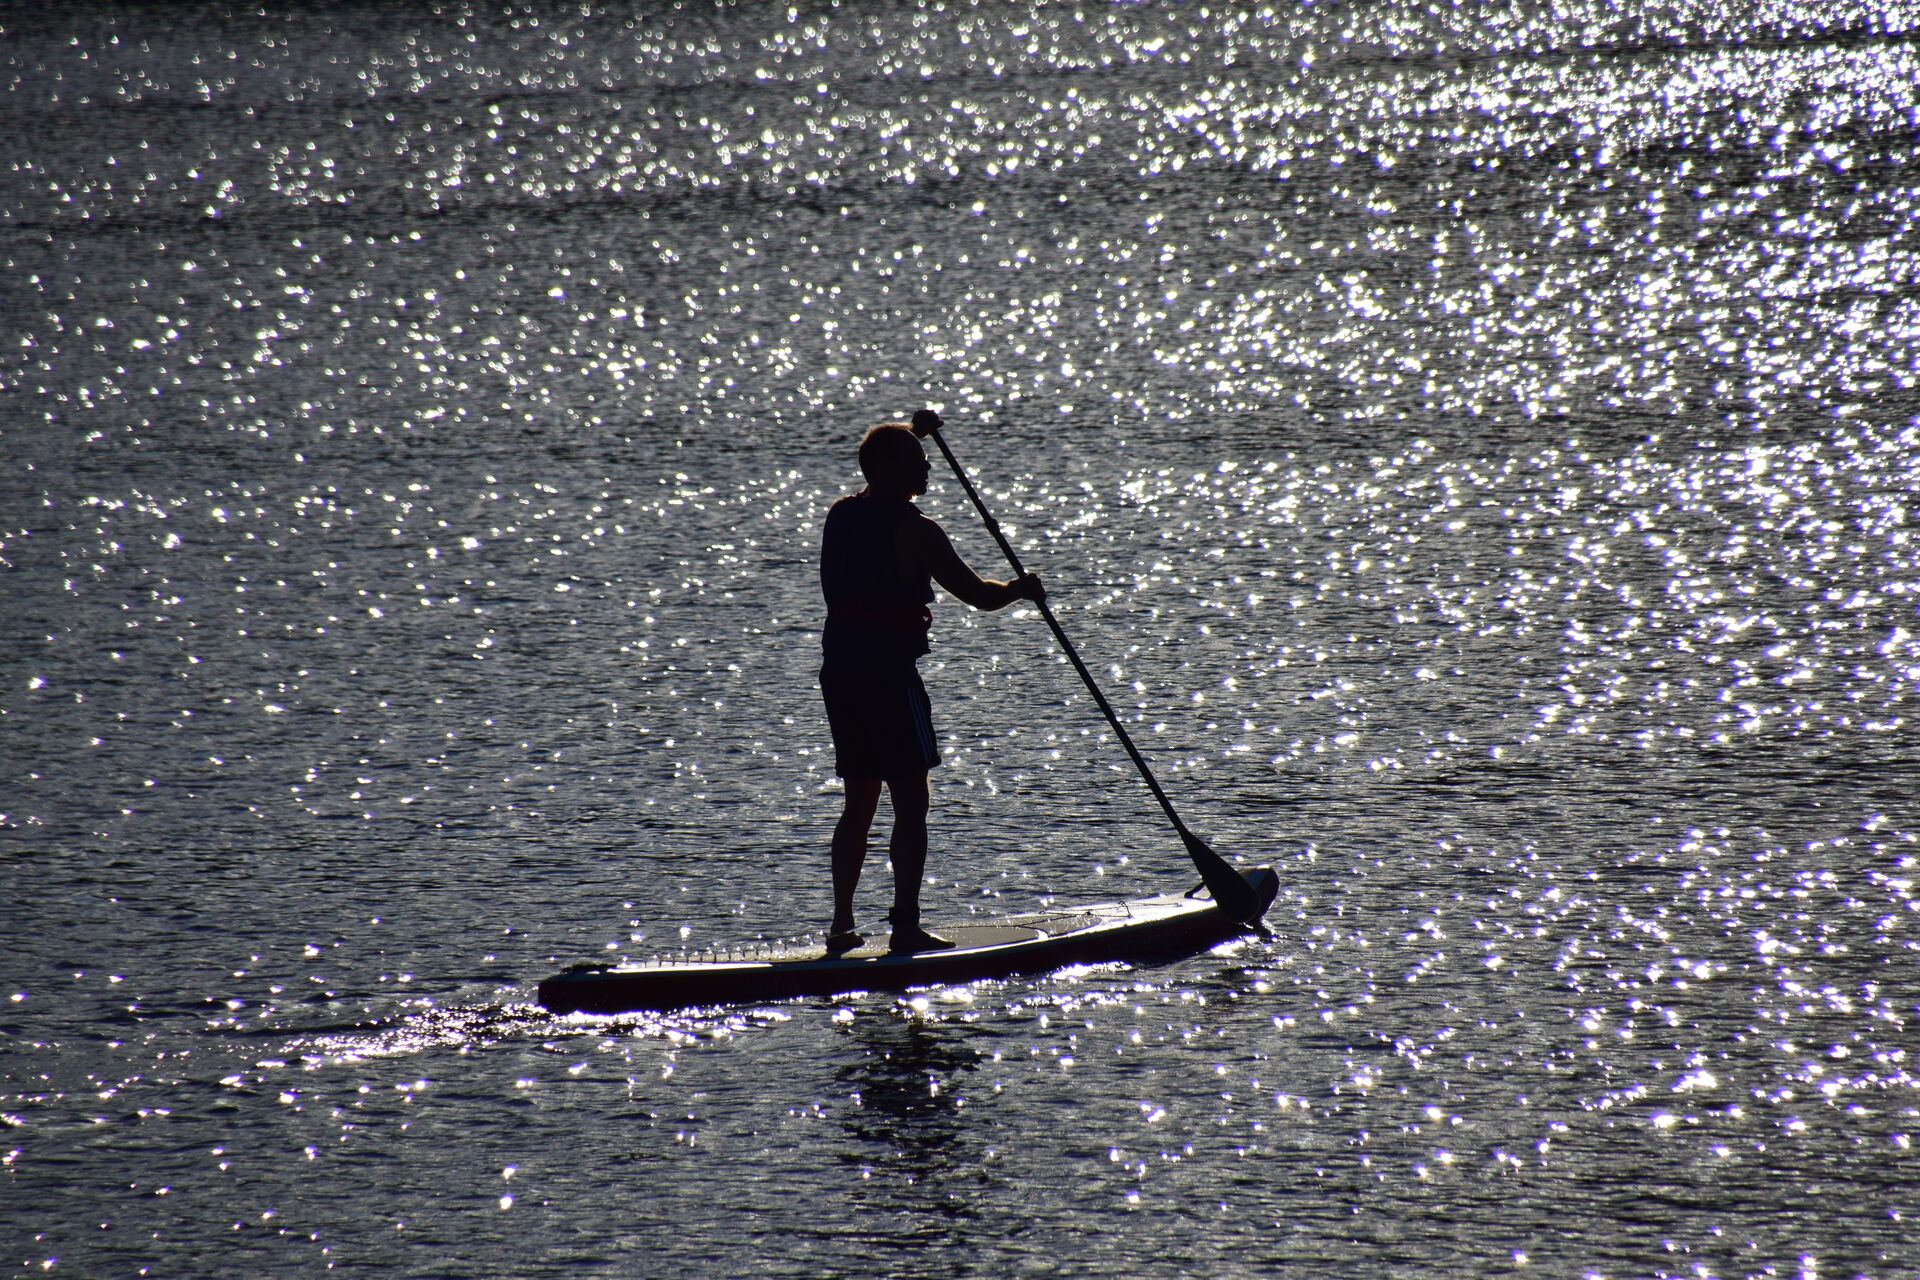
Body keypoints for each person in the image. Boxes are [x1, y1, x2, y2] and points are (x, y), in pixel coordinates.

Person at [819, 414, 1043, 953]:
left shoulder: (841, 514)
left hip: (842, 674)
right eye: (918, 462)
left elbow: (878, 461)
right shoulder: (917, 529)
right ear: (889, 468)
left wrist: (911, 436)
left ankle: (842, 925)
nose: (927, 469)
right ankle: (905, 927)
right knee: (912, 802)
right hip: (890, 679)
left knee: (859, 802)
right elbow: (980, 595)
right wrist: (1020, 589)